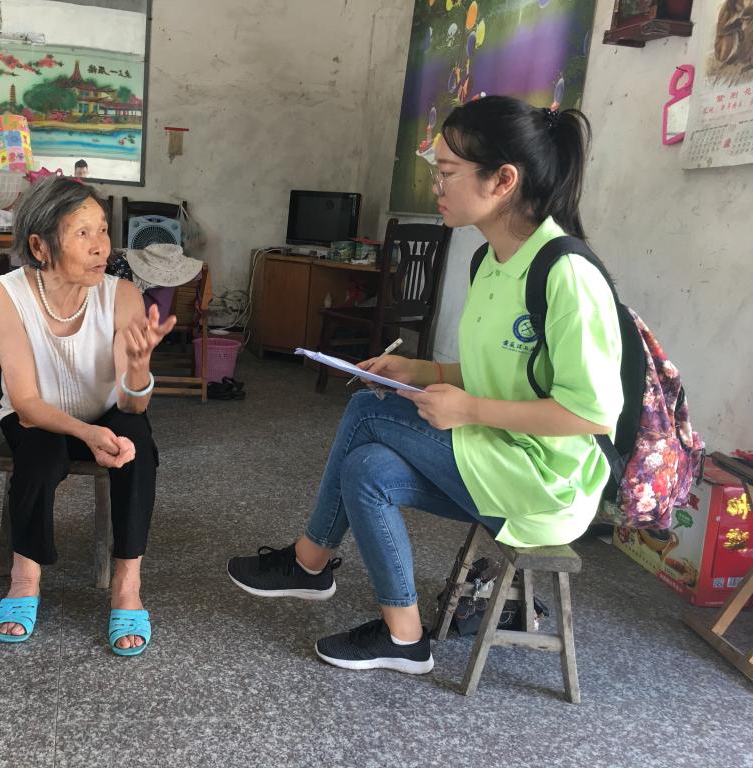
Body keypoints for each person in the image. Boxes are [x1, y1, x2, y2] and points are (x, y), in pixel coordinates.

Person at [228, 95, 623, 674]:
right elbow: (504, 374)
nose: (435, 187)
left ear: (503, 180)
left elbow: (591, 414)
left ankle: (309, 563)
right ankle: (404, 636)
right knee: (366, 469)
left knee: (368, 412)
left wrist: (469, 410)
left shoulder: (566, 274)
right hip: (497, 453)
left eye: (447, 173)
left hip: (545, 484)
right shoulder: (488, 261)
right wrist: (423, 372)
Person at [0, 176, 175, 654]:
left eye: (103, 231)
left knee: (137, 442)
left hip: (106, 412)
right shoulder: (9, 292)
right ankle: (24, 579)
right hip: (37, 414)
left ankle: (127, 585)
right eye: (82, 233)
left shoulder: (122, 295)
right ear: (40, 246)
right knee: (40, 451)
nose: (101, 247)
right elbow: (26, 402)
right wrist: (86, 433)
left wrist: (139, 369)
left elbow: (131, 405)